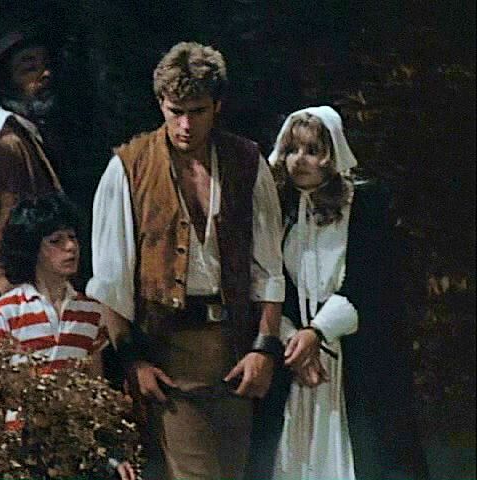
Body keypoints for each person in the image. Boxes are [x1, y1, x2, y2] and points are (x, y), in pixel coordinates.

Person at [86, 41, 285, 480]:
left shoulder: (245, 163)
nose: (185, 125)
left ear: (217, 106)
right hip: (168, 353)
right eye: (175, 111)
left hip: (233, 348)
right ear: (160, 103)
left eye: (197, 111)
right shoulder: (130, 168)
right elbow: (111, 280)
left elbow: (269, 269)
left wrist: (264, 348)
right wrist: (133, 361)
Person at [267, 106, 429, 480]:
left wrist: (318, 333)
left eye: (311, 150)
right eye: (292, 150)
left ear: (331, 155)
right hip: (296, 360)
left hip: (353, 355)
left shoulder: (364, 205)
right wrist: (294, 342)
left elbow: (372, 282)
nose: (299, 160)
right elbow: (270, 279)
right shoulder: (278, 208)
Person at [0, 192, 134, 480]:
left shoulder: (90, 312)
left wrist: (110, 451)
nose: (70, 247)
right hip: (20, 450)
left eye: (72, 237)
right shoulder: (3, 314)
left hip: (75, 447)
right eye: (55, 241)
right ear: (32, 248)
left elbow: (94, 388)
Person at [0, 30, 66, 296]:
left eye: (46, 65)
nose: (45, 74)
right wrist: (15, 295)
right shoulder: (2, 145)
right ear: (5, 82)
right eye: (29, 69)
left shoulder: (27, 134)